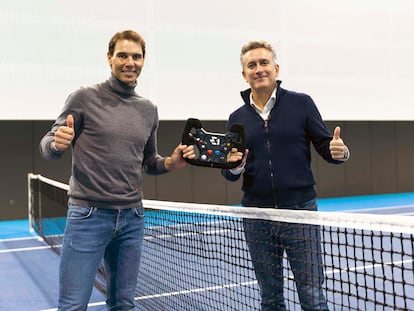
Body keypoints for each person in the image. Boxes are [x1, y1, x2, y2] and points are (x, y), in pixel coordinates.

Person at [39, 30, 194, 311]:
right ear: (109, 57)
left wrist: (170, 163)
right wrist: (56, 144)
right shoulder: (83, 97)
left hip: (132, 219)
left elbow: (148, 162)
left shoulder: (149, 109)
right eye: (122, 55)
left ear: (143, 61)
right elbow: (48, 144)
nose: (129, 62)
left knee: (123, 304)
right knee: (73, 306)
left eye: (136, 56)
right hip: (88, 217)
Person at [222, 40, 350, 311]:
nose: (259, 69)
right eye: (251, 65)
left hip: (300, 213)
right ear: (244, 74)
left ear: (276, 68)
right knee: (270, 299)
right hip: (257, 218)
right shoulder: (236, 118)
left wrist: (340, 151)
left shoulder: (301, 104)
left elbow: (327, 147)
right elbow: (231, 173)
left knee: (313, 297)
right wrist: (233, 166)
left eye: (264, 63)